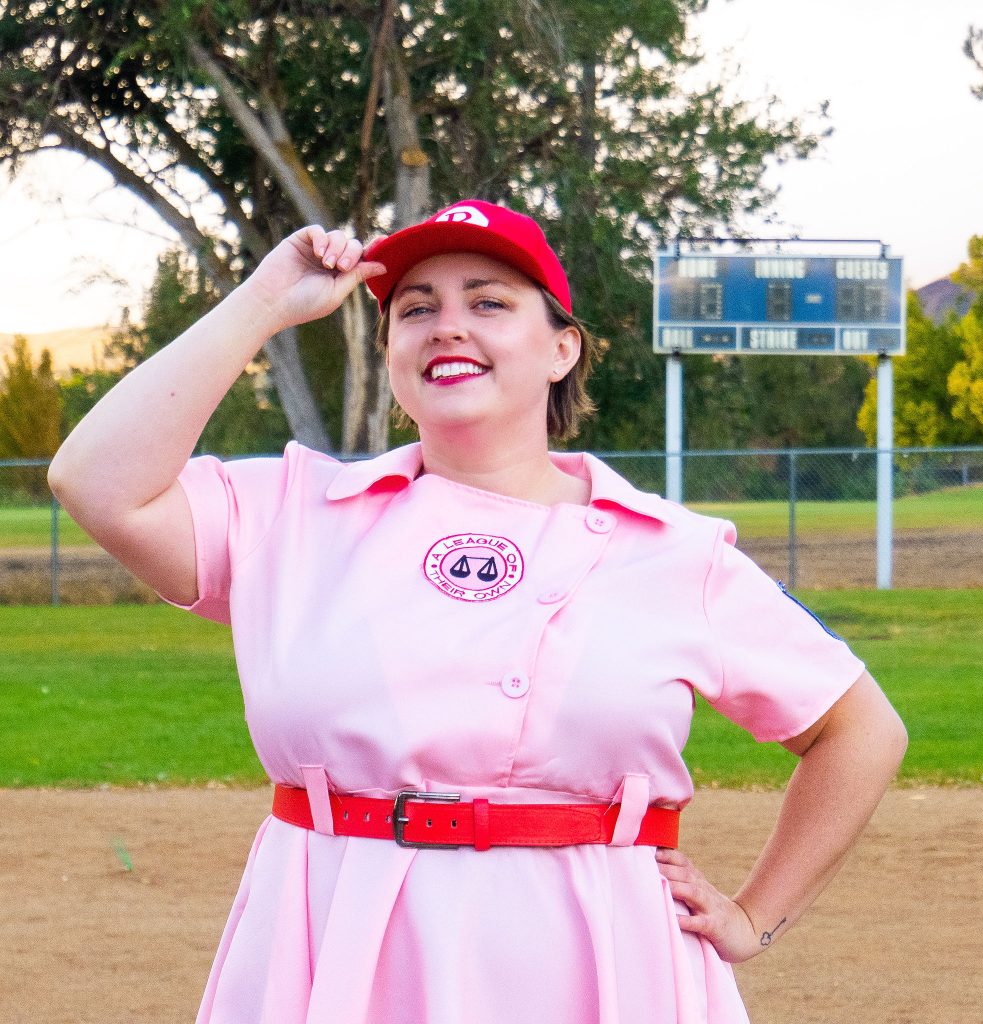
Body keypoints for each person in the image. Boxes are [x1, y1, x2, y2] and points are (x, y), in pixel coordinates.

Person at [48, 199, 908, 1024]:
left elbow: (861, 729)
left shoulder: (673, 552)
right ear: (391, 353)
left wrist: (756, 918)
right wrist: (262, 304)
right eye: (415, 309)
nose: (447, 325)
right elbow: (95, 482)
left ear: (563, 348)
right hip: (336, 945)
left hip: (592, 955)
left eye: (489, 302)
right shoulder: (293, 512)